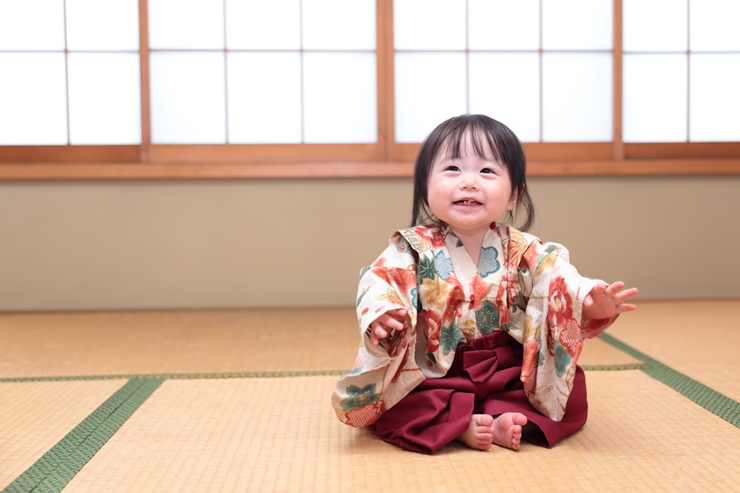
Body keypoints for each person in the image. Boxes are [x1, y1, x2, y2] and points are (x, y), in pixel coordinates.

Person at [331, 114, 638, 454]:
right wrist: (383, 313)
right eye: (452, 169)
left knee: (570, 390)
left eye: (487, 171)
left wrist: (590, 301)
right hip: (437, 370)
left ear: (512, 195)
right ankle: (467, 425)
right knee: (398, 400)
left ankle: (491, 418)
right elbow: (381, 278)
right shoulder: (412, 247)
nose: (469, 182)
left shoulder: (524, 249)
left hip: (504, 365)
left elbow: (558, 278)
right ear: (425, 188)